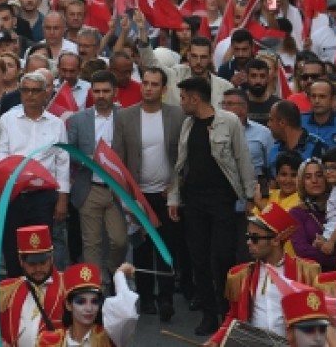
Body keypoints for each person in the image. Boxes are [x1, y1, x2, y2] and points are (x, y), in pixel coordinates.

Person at [169, 76, 257, 337]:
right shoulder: (188, 124)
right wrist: (174, 197)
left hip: (222, 200)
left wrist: (250, 196)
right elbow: (180, 165)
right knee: (198, 258)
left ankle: (227, 310)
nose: (181, 102)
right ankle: (209, 314)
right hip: (194, 200)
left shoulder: (228, 122)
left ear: (195, 98)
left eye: (183, 97)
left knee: (222, 256)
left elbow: (242, 159)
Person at [113, 65, 187, 320]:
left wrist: (176, 188)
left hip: (167, 195)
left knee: (166, 248)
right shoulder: (125, 117)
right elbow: (118, 159)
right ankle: (145, 298)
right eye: (145, 83)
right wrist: (128, 197)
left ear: (164, 89)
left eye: (154, 84)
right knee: (142, 248)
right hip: (138, 194)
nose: (148, 88)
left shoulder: (177, 116)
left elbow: (183, 156)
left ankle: (165, 298)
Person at [209, 204, 321, 345]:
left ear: (275, 240)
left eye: (255, 238)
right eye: (248, 237)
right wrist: (215, 340)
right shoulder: (241, 275)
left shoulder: (306, 272)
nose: (249, 242)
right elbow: (233, 316)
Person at [0, 71, 70, 280]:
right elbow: (1, 154)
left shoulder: (56, 124)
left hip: (43, 196)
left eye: (35, 91)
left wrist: (62, 198)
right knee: (13, 248)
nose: (30, 95)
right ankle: (14, 293)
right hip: (14, 193)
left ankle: (40, 294)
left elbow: (62, 162)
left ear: (45, 94)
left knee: (40, 248)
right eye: (25, 90)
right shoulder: (8, 120)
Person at [67, 71, 127, 283]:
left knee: (120, 241)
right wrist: (88, 160)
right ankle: (94, 288)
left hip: (118, 191)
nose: (101, 95)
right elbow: (69, 151)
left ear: (115, 92)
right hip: (89, 188)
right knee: (91, 243)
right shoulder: (78, 120)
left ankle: (112, 270)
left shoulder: (126, 116)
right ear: (91, 92)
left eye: (106, 91)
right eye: (97, 91)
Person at [0, 225, 68, 347]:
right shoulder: (8, 290)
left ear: (51, 258)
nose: (38, 268)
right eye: (32, 264)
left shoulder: (69, 287)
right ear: (21, 261)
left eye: (43, 262)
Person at [43, 262, 140, 347]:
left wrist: (118, 276)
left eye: (94, 301)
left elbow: (127, 314)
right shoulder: (51, 342)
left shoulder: (110, 336)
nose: (89, 308)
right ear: (68, 305)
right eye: (81, 302)